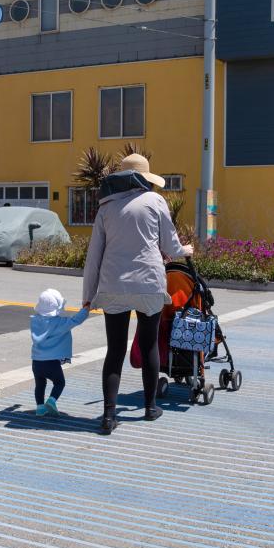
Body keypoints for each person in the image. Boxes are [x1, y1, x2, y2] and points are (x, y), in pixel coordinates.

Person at [82, 153, 192, 435]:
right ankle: (150, 407)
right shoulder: (155, 201)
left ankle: (108, 416)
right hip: (149, 284)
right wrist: (185, 252)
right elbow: (171, 244)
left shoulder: (106, 207)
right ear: (144, 179)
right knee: (149, 344)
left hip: (113, 284)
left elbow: (94, 256)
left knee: (115, 350)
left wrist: (88, 294)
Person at [30, 288, 90, 416]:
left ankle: (40, 408)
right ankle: (52, 400)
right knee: (59, 382)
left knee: (40, 384)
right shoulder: (60, 323)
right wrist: (86, 309)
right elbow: (76, 320)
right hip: (51, 362)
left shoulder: (35, 320)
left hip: (36, 362)